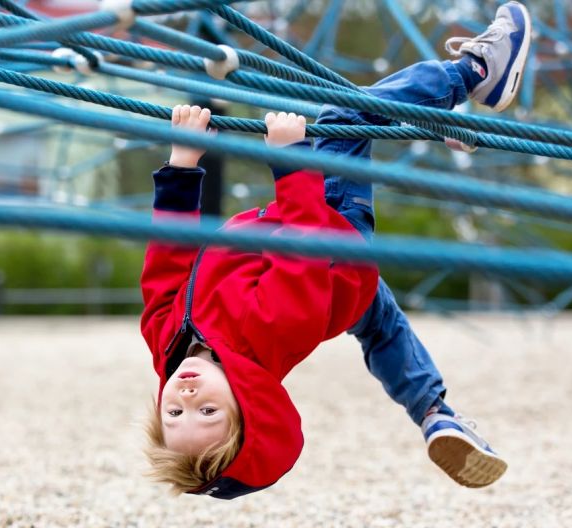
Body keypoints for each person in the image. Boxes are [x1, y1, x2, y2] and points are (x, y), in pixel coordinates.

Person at [141, 2, 531, 499]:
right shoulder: (265, 331)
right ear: (248, 403)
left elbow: (168, 260)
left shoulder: (167, 343)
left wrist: (182, 163)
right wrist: (291, 163)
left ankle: (435, 415)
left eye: (174, 414)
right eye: (208, 412)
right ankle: (475, 75)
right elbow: (305, 251)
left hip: (341, 288)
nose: (187, 396)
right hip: (330, 235)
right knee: (344, 117)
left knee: (383, 332)